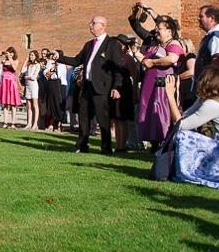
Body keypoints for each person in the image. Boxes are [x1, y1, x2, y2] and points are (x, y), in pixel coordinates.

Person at [57, 16, 125, 154]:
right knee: (84, 116)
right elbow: (77, 60)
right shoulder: (89, 45)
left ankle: (106, 147)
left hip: (103, 88)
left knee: (103, 118)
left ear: (103, 26)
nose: (90, 25)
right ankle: (82, 145)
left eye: (93, 23)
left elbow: (118, 67)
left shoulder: (111, 44)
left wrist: (116, 86)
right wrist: (58, 57)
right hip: (87, 86)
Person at [134, 16, 183, 151]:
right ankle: (154, 141)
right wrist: (135, 52)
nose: (156, 31)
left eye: (159, 29)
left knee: (161, 110)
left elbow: (172, 58)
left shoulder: (174, 44)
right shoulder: (156, 46)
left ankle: (163, 141)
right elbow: (145, 61)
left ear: (169, 31)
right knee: (149, 109)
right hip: (150, 83)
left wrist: (153, 62)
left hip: (163, 84)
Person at [194, 5, 219, 86]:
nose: (198, 19)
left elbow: (217, 60)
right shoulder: (211, 36)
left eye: (201, 16)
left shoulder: (217, 36)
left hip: (216, 86)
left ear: (212, 18)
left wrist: (207, 81)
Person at [112, 35, 139, 153]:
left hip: (124, 89)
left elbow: (135, 76)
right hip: (114, 89)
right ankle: (119, 144)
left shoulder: (127, 58)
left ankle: (122, 146)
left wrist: (134, 92)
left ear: (124, 46)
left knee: (122, 118)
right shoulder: (113, 58)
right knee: (117, 119)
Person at [0, 48, 21, 128]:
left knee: (13, 104)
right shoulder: (4, 61)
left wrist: (10, 59)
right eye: (8, 53)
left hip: (12, 83)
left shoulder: (15, 61)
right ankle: (5, 122)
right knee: (5, 103)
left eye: (11, 53)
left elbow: (14, 68)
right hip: (4, 82)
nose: (9, 54)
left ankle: (13, 122)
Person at [21, 50, 41, 130]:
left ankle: (35, 124)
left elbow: (34, 77)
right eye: (30, 55)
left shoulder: (37, 65)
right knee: (28, 105)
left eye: (32, 55)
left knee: (35, 105)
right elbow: (22, 71)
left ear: (35, 56)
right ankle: (28, 124)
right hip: (27, 86)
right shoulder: (29, 65)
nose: (30, 57)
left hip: (34, 86)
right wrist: (26, 61)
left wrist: (27, 77)